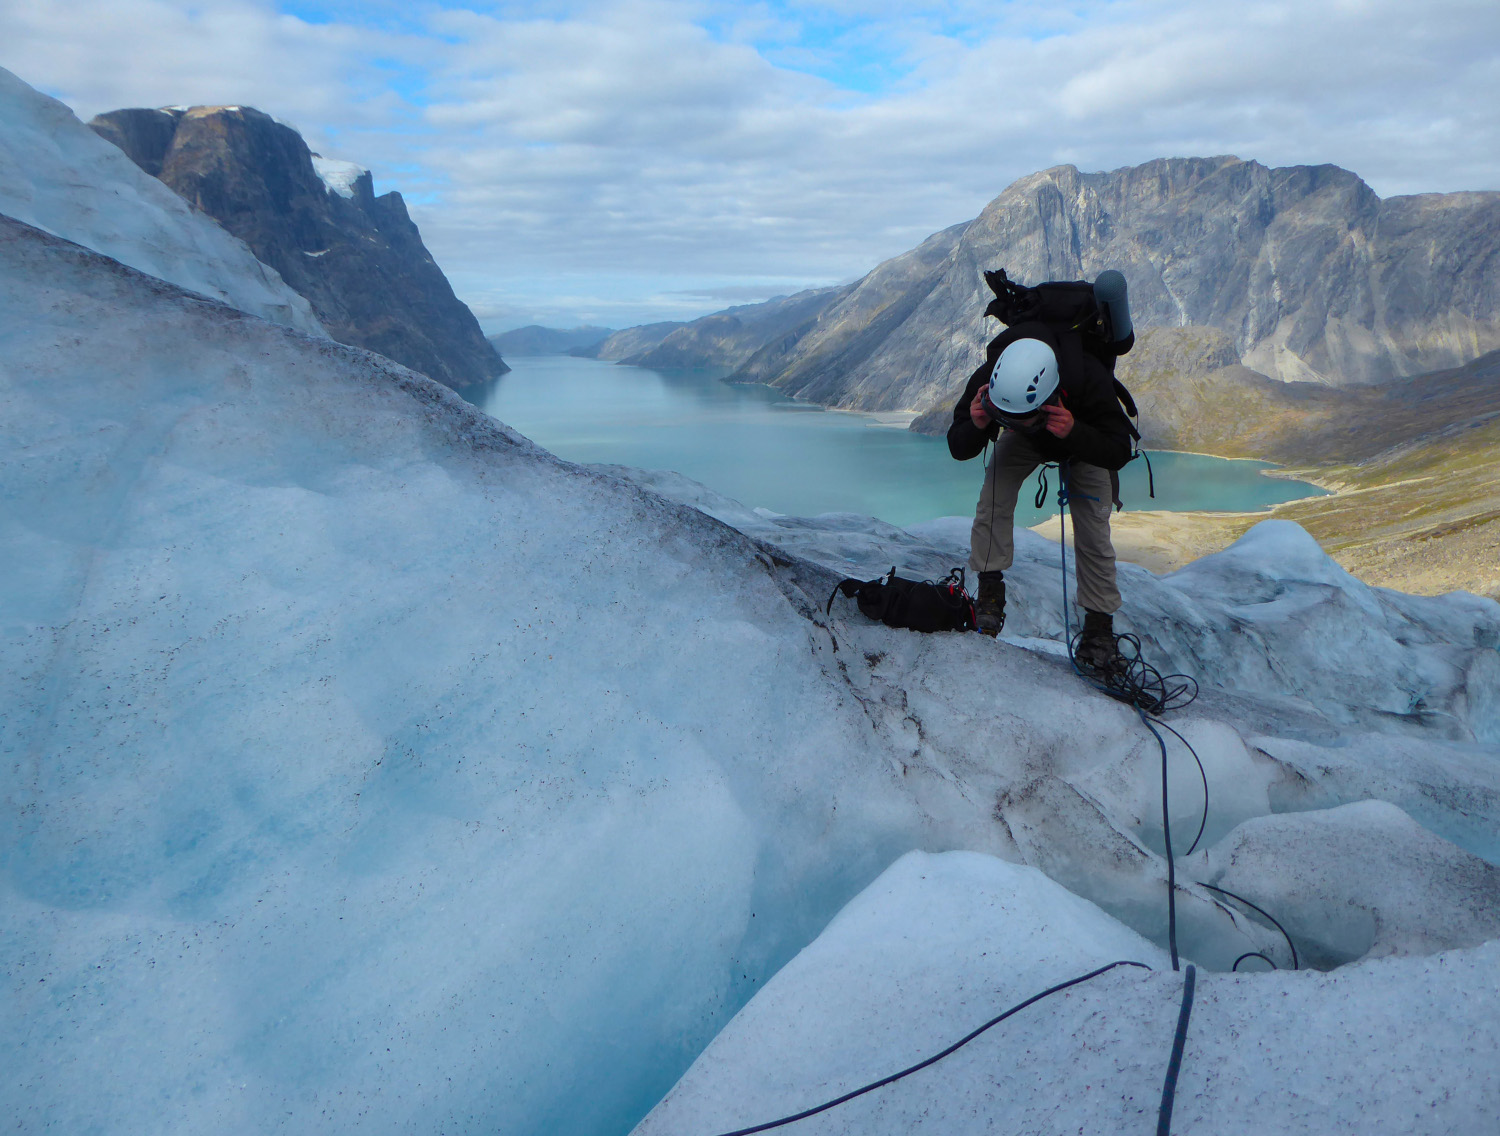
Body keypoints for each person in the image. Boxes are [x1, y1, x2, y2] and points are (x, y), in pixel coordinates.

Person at [947, 319, 1134, 670]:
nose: (1013, 423)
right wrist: (976, 424)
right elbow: (958, 447)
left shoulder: (1087, 380)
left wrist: (1074, 431)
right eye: (1008, 418)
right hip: (1044, 434)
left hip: (1082, 437)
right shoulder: (991, 379)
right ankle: (989, 593)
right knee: (993, 497)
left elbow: (1118, 450)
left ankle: (1098, 631)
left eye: (1021, 418)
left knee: (1093, 529)